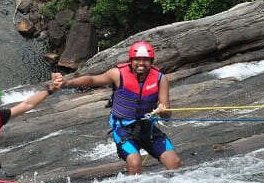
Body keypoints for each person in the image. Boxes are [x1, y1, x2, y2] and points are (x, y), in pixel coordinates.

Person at [56, 40, 181, 175]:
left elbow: (167, 115)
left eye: (146, 60)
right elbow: (93, 80)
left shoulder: (160, 79)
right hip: (123, 129)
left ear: (151, 61)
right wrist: (67, 83)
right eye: (137, 59)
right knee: (135, 162)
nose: (141, 63)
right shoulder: (117, 74)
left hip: (147, 128)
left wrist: (163, 111)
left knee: (174, 162)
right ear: (130, 60)